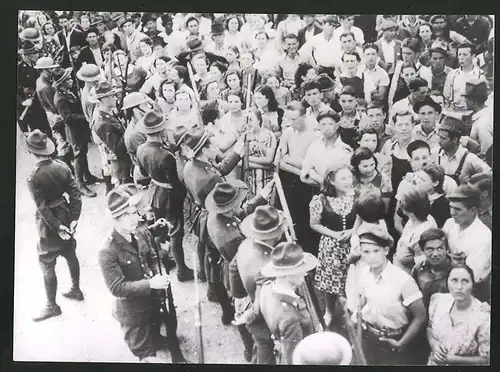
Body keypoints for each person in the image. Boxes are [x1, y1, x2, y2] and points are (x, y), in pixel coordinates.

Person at [98, 184, 171, 363]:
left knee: (155, 332)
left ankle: (157, 341)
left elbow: (152, 256)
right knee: (147, 357)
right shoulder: (107, 251)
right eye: (129, 215)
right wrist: (151, 284)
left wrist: (158, 275)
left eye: (134, 212)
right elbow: (117, 288)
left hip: (152, 302)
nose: (136, 218)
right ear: (116, 219)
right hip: (133, 314)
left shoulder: (137, 232)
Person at [205, 180, 274, 360]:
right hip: (238, 274)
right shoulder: (230, 238)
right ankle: (249, 347)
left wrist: (261, 197)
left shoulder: (216, 215)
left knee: (240, 309)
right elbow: (242, 260)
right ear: (228, 208)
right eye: (237, 202)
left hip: (231, 266)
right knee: (243, 309)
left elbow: (239, 214)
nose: (240, 204)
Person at [25, 130, 83, 322]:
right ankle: (76, 289)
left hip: (48, 223)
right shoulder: (62, 166)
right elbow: (75, 193)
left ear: (32, 152)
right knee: (70, 253)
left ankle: (52, 305)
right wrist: (74, 218)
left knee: (46, 261)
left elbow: (41, 207)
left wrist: (57, 227)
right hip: (65, 213)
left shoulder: (33, 177)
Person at [182, 127, 245, 293]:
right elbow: (218, 174)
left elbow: (218, 168)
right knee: (216, 257)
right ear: (204, 150)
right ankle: (216, 291)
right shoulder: (210, 177)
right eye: (214, 147)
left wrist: (237, 152)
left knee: (208, 253)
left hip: (198, 215)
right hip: (212, 219)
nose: (217, 149)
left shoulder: (191, 165)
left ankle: (209, 283)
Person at [353, 224, 427, 365]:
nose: (371, 257)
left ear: (386, 250)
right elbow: (364, 298)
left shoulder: (403, 280)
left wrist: (401, 343)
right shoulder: (364, 273)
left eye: (376, 251)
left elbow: (421, 316)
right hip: (369, 337)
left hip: (394, 340)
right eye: (366, 252)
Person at [135, 110, 194, 282]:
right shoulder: (166, 155)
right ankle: (182, 270)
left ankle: (163, 259)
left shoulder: (141, 149)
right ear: (161, 131)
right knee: (175, 232)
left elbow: (144, 172)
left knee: (159, 228)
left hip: (154, 192)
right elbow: (175, 183)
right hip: (169, 196)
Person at [229, 205, 286, 365]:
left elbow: (232, 267)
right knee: (265, 352)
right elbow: (266, 303)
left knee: (259, 346)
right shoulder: (270, 266)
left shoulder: (245, 245)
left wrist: (238, 296)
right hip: (262, 318)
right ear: (274, 234)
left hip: (247, 302)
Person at [309, 165, 356, 327]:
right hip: (331, 247)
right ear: (332, 181)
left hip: (352, 246)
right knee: (331, 282)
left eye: (350, 177)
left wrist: (351, 231)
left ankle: (350, 313)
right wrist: (334, 234)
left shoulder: (357, 197)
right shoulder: (320, 200)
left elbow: (361, 219)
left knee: (351, 280)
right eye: (343, 178)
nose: (348, 182)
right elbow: (314, 224)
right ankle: (329, 311)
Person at [258, 242, 319, 364]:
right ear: (286, 275)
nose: (305, 273)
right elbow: (293, 358)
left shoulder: (267, 287)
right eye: (300, 270)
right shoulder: (290, 317)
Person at [276, 101, 320, 254]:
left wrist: (291, 160)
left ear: (304, 116)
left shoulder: (315, 136)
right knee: (291, 219)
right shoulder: (288, 133)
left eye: (294, 119)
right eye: (288, 119)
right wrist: (298, 169)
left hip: (309, 185)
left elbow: (312, 166)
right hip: (291, 181)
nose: (291, 123)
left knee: (307, 222)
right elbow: (279, 161)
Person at [426, 265, 490, 365]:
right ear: (447, 282)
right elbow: (429, 327)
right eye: (454, 280)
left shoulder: (483, 316)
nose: (459, 287)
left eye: (465, 281)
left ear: (472, 284)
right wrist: (433, 343)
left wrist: (453, 360)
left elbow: (487, 360)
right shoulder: (438, 300)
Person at [52, 67, 97, 197]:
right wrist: (86, 118)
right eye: (68, 79)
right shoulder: (60, 98)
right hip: (74, 131)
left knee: (83, 153)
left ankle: (87, 176)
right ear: (62, 83)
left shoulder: (68, 92)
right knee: (78, 156)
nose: (71, 81)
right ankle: (80, 184)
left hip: (80, 129)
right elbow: (68, 118)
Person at [443, 185, 491, 303]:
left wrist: (448, 260)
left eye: (458, 209)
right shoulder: (450, 224)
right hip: (447, 283)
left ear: (473, 210)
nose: (452, 213)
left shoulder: (483, 237)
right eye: (451, 207)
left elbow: (471, 276)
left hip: (472, 292)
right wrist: (449, 258)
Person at [93, 81, 133, 187]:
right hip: (122, 166)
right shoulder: (103, 123)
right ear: (105, 99)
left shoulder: (109, 113)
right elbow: (117, 149)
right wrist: (128, 130)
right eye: (112, 96)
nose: (115, 99)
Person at [301, 111, 353, 188]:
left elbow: (347, 178)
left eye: (330, 124)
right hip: (316, 190)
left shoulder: (345, 149)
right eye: (323, 124)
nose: (326, 128)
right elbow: (305, 174)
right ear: (319, 126)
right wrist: (322, 181)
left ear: (337, 126)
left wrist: (313, 173)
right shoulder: (314, 145)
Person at [393, 188, 437, 273]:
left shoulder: (422, 235)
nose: (399, 205)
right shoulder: (414, 219)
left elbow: (421, 266)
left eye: (402, 202)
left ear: (410, 210)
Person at [437, 116, 490, 185]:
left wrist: (474, 184)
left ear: (454, 140)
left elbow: (489, 174)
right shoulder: (434, 154)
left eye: (443, 138)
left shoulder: (469, 158)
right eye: (439, 136)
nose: (439, 141)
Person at [411, 228, 452, 308]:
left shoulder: (458, 270)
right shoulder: (418, 269)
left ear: (447, 250)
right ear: (422, 251)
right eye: (430, 249)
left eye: (439, 249)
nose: (435, 254)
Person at [242, 108, 277, 199]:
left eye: (251, 120)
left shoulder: (269, 136)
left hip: (265, 180)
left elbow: (269, 159)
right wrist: (263, 165)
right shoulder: (244, 136)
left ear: (258, 120)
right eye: (246, 120)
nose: (248, 123)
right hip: (249, 181)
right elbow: (239, 162)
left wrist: (246, 158)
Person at [443, 43, 483, 111]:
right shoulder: (452, 74)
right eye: (459, 54)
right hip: (455, 112)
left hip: (474, 113)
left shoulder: (480, 75)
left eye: (465, 55)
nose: (461, 58)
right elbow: (446, 97)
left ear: (473, 56)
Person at [461, 76, 493, 159]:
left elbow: (487, 154)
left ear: (472, 101)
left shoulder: (482, 123)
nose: (464, 101)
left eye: (466, 98)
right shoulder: (487, 113)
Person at [415, 163, 451, 228]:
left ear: (435, 183)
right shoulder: (417, 196)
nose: (418, 181)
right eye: (418, 178)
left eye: (423, 180)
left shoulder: (444, 205)